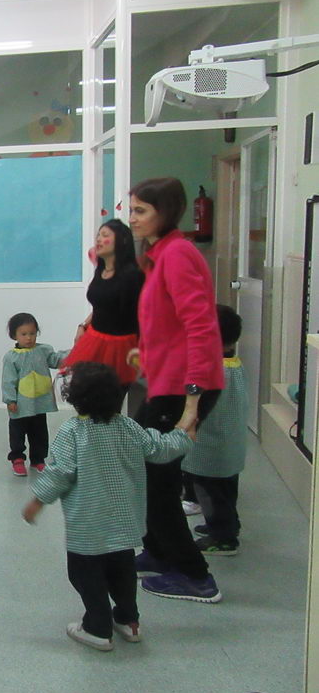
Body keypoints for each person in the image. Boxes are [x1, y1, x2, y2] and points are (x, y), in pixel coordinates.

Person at [23, 363, 194, 651]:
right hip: (124, 523)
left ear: (74, 398)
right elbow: (160, 448)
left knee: (84, 575)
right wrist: (184, 433)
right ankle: (129, 621)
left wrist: (37, 501)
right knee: (122, 573)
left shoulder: (73, 432)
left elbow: (60, 473)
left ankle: (98, 628)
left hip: (88, 526)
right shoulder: (129, 427)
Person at [128, 177, 225, 604]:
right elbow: (164, 321)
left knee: (159, 479)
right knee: (144, 469)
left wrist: (193, 400)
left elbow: (201, 326)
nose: (132, 219)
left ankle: (194, 575)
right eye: (130, 209)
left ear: (165, 212)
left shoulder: (179, 253)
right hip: (164, 382)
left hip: (185, 388)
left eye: (141, 211)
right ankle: (159, 552)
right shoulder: (159, 254)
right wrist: (144, 354)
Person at [182, 305, 249, 556]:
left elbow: (195, 407)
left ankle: (223, 538)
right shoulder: (234, 365)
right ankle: (229, 525)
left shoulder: (210, 371)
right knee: (226, 491)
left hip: (210, 447)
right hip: (231, 445)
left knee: (209, 493)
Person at [62, 219, 145, 389]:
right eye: (98, 235)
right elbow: (102, 305)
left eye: (105, 235)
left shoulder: (133, 276)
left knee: (108, 400)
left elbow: (143, 315)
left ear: (122, 241)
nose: (99, 239)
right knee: (86, 397)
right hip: (94, 338)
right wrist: (83, 325)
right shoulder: (101, 271)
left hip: (120, 346)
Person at [2, 313, 66, 477]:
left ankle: (38, 459)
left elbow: (57, 360)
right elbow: (8, 380)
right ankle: (17, 458)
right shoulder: (11, 357)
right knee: (17, 432)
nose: (29, 338)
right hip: (20, 404)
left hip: (39, 403)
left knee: (39, 432)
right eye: (24, 334)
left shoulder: (43, 350)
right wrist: (10, 400)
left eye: (32, 333)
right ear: (14, 335)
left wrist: (75, 352)